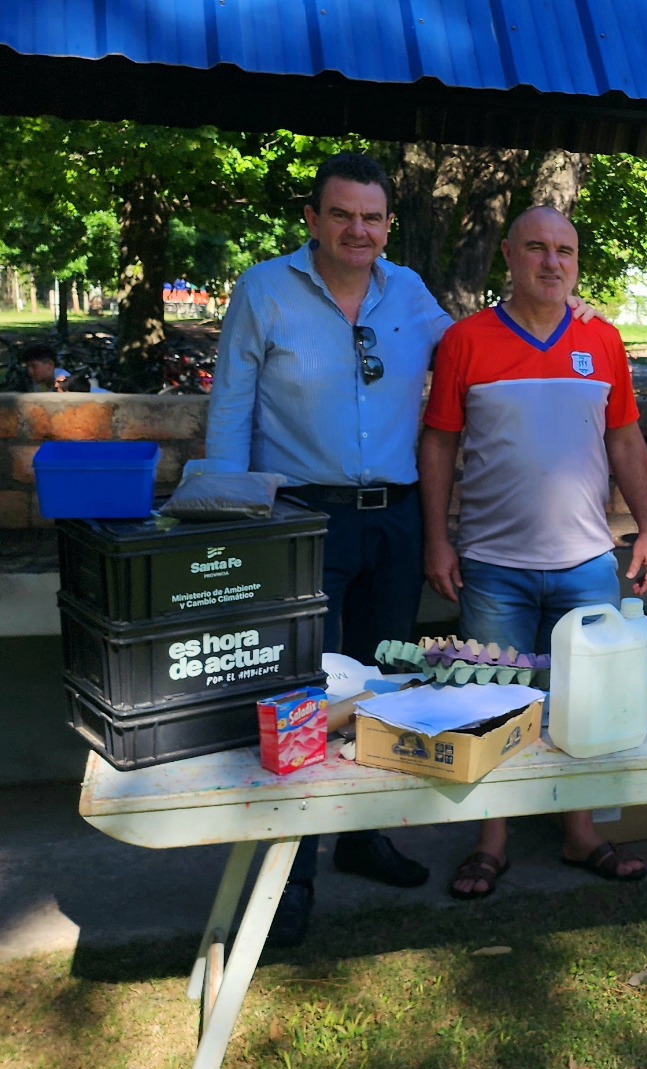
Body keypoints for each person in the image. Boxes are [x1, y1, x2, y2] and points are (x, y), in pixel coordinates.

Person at [208, 152, 452, 947]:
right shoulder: (265, 289)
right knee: (302, 692)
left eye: (373, 217)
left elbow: (476, 359)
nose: (359, 230)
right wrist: (234, 517)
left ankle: (364, 835)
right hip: (302, 516)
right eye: (342, 214)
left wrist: (561, 310)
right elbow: (231, 410)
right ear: (312, 219)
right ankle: (294, 871)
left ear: (389, 225)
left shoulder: (410, 293)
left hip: (393, 517)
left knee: (382, 682)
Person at [419, 206, 647, 900]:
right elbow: (438, 441)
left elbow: (625, 440)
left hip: (587, 561)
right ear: (508, 255)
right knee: (493, 704)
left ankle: (579, 831)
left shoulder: (602, 339)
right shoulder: (466, 341)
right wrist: (437, 537)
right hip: (494, 564)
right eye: (536, 248)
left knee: (583, 707)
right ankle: (491, 841)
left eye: (565, 250)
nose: (552, 262)